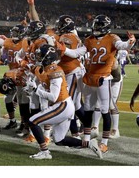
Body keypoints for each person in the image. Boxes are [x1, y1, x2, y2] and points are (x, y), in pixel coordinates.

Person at [65, 15, 136, 154]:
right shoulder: (89, 40)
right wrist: (64, 50)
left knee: (105, 110)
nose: (95, 28)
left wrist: (131, 42)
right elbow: (77, 53)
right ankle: (86, 139)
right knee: (88, 109)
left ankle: (104, 143)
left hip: (104, 78)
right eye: (95, 25)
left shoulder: (112, 38)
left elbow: (123, 45)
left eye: (98, 25)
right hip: (90, 78)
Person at [26, 44, 102, 160]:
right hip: (63, 105)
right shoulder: (43, 68)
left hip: (62, 105)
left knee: (33, 121)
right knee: (59, 140)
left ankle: (45, 152)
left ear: (47, 57)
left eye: (40, 54)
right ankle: (89, 144)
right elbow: (34, 72)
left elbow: (53, 97)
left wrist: (35, 90)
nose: (37, 56)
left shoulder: (55, 72)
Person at [55, 15, 86, 138]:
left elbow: (67, 54)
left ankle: (75, 134)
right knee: (77, 105)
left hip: (72, 72)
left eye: (60, 24)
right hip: (72, 71)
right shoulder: (72, 36)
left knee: (70, 104)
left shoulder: (69, 37)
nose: (58, 27)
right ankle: (90, 126)